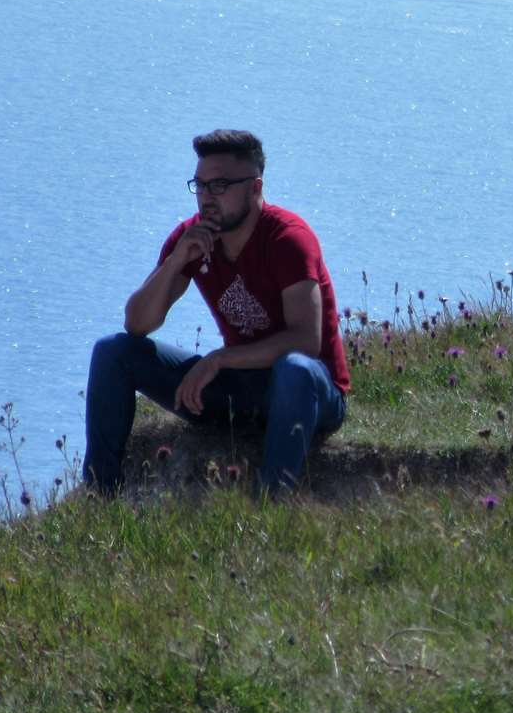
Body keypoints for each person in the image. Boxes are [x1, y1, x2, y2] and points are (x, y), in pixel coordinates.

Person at [83, 130, 350, 495]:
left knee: (294, 369)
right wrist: (177, 261)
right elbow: (137, 323)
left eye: (220, 185)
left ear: (255, 188)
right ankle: (100, 493)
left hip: (309, 394)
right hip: (241, 390)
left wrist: (220, 359)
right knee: (113, 352)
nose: (207, 197)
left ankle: (273, 504)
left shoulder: (288, 239)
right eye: (200, 185)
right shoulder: (191, 238)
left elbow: (304, 342)